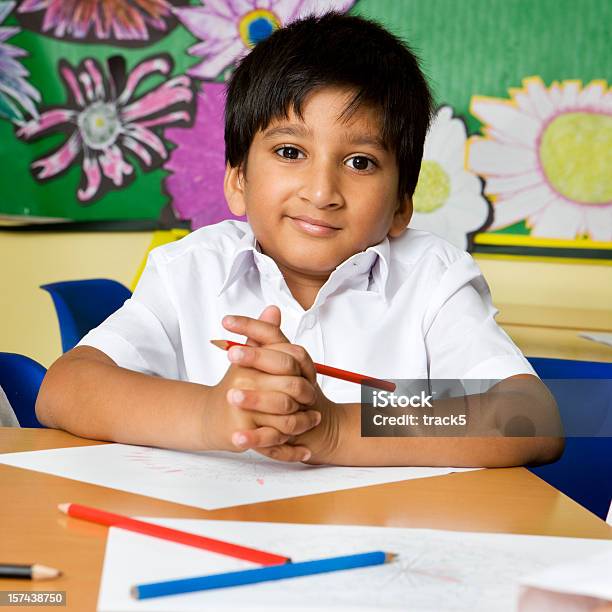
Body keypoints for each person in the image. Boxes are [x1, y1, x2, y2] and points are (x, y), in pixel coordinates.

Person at [36, 12, 563, 467]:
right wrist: (211, 414)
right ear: (238, 180)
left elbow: (529, 414)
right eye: (290, 151)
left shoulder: (431, 278)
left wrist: (334, 428)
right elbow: (64, 390)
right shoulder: (190, 271)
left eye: (360, 162)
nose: (321, 190)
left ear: (402, 203)